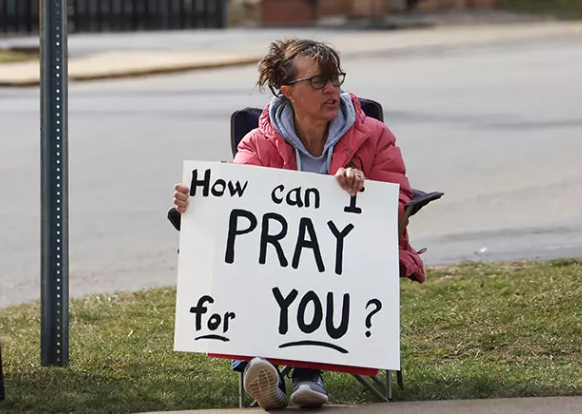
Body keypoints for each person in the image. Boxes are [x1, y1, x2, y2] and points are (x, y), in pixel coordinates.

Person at [172, 38, 425, 410]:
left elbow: (399, 197)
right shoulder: (259, 142)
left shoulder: (373, 136)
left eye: (335, 78)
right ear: (288, 92)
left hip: (351, 260)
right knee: (251, 261)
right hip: (278, 268)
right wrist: (196, 202)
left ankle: (305, 374)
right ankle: (261, 371)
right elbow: (238, 197)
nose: (332, 89)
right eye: (318, 81)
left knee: (311, 266)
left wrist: (361, 191)